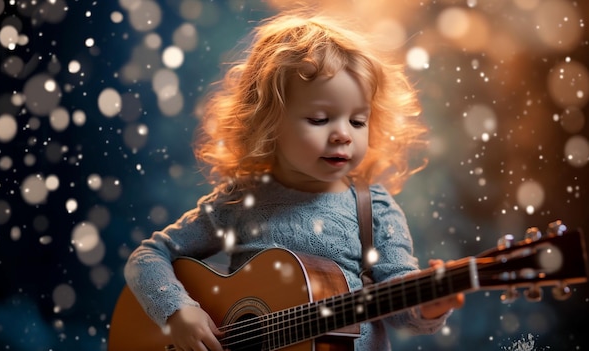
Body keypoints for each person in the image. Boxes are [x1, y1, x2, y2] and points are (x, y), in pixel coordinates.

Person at [124, 8, 464, 351]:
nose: (343, 135)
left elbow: (400, 304)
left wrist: (428, 304)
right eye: (320, 119)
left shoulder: (374, 209)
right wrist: (178, 311)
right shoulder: (241, 202)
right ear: (269, 123)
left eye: (358, 121)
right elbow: (148, 257)